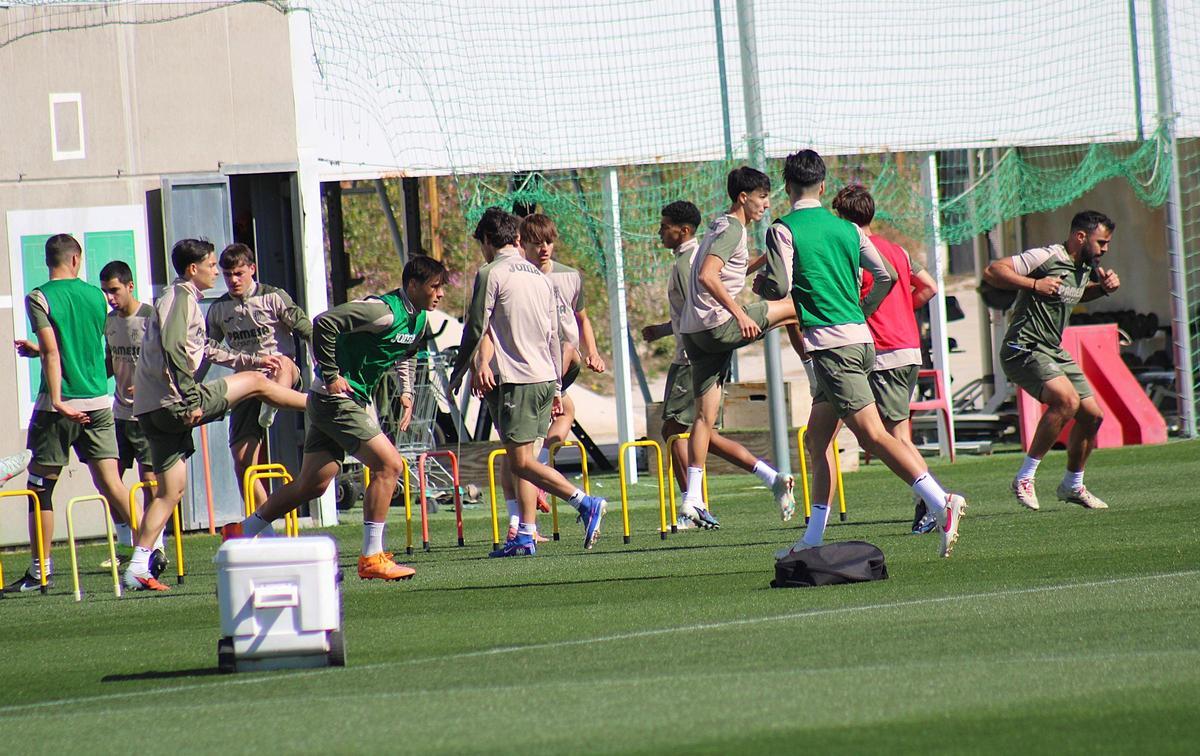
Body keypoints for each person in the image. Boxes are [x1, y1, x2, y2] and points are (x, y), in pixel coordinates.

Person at [770, 150, 965, 559]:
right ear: (822, 187)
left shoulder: (784, 229)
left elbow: (779, 284)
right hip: (859, 342)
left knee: (874, 435)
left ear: (787, 187)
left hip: (831, 346)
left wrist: (762, 289)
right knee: (817, 440)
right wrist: (865, 308)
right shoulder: (848, 229)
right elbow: (887, 275)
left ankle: (940, 500)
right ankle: (813, 538)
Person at [227, 255, 449, 583]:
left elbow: (407, 352)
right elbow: (324, 322)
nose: (441, 293)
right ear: (413, 286)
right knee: (389, 465)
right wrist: (331, 374)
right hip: (336, 400)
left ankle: (241, 532)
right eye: (435, 286)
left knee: (313, 484)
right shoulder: (382, 311)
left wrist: (406, 392)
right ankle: (372, 556)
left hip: (338, 401)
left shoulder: (418, 319)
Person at [124, 239, 308, 592]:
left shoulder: (176, 299)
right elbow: (176, 346)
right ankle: (318, 405)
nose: (217, 273)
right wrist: (190, 393)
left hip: (150, 409)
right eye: (212, 266)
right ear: (194, 269)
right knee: (256, 383)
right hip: (176, 401)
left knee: (169, 492)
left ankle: (136, 567)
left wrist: (252, 358)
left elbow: (203, 348)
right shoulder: (180, 298)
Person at [465, 208, 607, 556]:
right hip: (545, 378)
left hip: (520, 379)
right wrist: (557, 388)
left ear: (487, 241)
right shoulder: (540, 277)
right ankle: (525, 535)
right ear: (518, 239)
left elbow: (476, 328)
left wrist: (467, 369)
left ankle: (585, 503)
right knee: (519, 460)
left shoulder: (491, 273)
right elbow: (553, 335)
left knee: (522, 462)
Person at [6, 234, 132, 593]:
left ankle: (39, 571)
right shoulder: (96, 295)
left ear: (50, 261)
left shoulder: (40, 296)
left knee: (40, 486)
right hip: (97, 400)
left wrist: (59, 399)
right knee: (111, 482)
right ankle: (145, 549)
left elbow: (51, 352)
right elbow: (84, 345)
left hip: (58, 406)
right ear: (76, 260)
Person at [676, 168, 799, 530]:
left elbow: (729, 269)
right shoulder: (733, 228)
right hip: (718, 325)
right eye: (762, 196)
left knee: (704, 419)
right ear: (743, 197)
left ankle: (692, 501)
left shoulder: (719, 227)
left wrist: (763, 260)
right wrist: (737, 313)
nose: (766, 203)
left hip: (693, 332)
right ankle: (817, 372)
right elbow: (707, 276)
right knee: (797, 308)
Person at [983, 210, 1120, 511]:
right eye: (1102, 242)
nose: (1105, 249)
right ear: (1080, 236)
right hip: (1023, 347)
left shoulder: (1084, 266)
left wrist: (1102, 290)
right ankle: (1024, 478)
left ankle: (1072, 484)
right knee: (1066, 401)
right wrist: (1034, 285)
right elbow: (993, 270)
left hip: (1051, 349)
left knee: (1092, 416)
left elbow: (1073, 294)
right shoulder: (1046, 256)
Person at [829, 186, 941, 535]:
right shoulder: (897, 250)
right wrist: (904, 308)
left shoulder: (852, 252)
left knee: (895, 438)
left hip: (884, 351)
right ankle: (930, 502)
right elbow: (929, 287)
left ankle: (933, 504)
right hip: (907, 349)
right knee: (892, 434)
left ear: (842, 218)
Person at [206, 243, 312, 512]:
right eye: (228, 275)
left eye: (239, 273)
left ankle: (272, 405)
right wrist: (190, 386)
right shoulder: (219, 309)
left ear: (252, 269)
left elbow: (308, 330)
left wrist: (323, 369)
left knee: (283, 363)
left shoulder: (273, 297)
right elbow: (206, 350)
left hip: (281, 375)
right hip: (246, 381)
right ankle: (263, 521)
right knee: (242, 460)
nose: (233, 280)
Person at [520, 214, 606, 513]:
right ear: (523, 246)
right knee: (563, 413)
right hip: (532, 363)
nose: (544, 248)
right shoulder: (519, 277)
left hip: (562, 362)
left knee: (568, 345)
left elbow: (582, 319)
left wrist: (592, 351)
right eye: (536, 243)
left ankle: (538, 474)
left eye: (548, 242)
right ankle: (540, 477)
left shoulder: (569, 276)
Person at [99, 260, 159, 565]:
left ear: (130, 286)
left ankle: (152, 547)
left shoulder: (150, 318)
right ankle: (125, 547)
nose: (111, 297)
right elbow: (110, 363)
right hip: (119, 413)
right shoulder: (110, 322)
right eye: (106, 292)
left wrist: (151, 384)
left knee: (151, 482)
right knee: (110, 481)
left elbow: (169, 360)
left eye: (115, 290)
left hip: (147, 413)